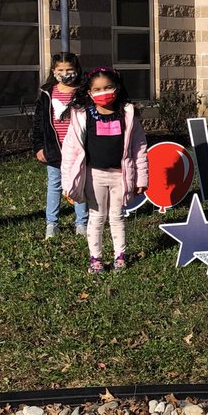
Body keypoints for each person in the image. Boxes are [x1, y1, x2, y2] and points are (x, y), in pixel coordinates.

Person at [61, 67, 148, 274]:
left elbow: (139, 147)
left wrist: (141, 178)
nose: (103, 92)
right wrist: (68, 184)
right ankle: (96, 258)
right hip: (94, 176)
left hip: (121, 175)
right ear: (89, 92)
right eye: (98, 89)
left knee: (117, 216)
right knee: (97, 216)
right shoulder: (82, 116)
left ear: (117, 88)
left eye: (108, 87)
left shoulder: (127, 114)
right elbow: (70, 151)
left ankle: (120, 256)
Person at [32, 52, 87, 239]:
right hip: (54, 148)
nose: (65, 74)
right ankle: (52, 223)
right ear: (54, 71)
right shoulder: (47, 93)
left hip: (79, 149)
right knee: (54, 184)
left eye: (69, 70)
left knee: (79, 184)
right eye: (61, 70)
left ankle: (82, 222)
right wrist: (39, 146)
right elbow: (39, 122)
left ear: (77, 70)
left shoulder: (83, 92)